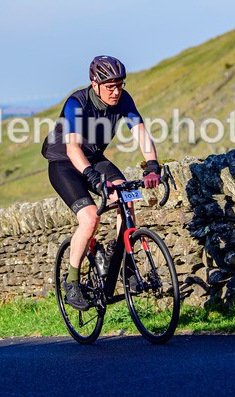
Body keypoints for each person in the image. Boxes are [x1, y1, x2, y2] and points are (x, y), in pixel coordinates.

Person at [42, 55, 162, 310]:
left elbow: (141, 133)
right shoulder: (77, 103)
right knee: (89, 219)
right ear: (95, 84)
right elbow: (73, 148)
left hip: (95, 159)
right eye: (110, 86)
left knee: (126, 199)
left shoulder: (124, 99)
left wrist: (152, 166)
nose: (116, 92)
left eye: (120, 85)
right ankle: (72, 280)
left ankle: (120, 258)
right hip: (64, 163)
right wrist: (93, 178)